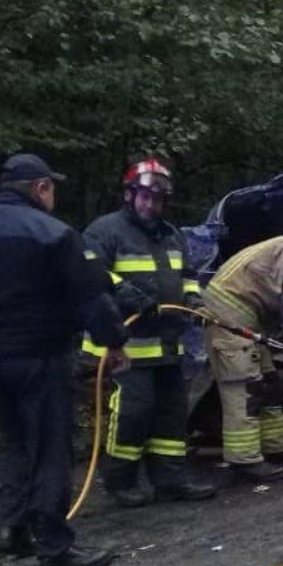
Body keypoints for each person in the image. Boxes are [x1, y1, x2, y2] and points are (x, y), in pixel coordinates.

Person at [0, 154, 130, 566]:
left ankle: (13, 528)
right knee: (50, 445)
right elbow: (90, 297)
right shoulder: (54, 233)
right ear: (42, 188)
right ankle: (55, 548)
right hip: (40, 357)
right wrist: (115, 343)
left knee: (14, 441)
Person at [84, 158, 216, 507]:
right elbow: (93, 275)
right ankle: (120, 481)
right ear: (130, 194)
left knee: (172, 412)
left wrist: (192, 298)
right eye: (144, 197)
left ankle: (170, 480)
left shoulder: (171, 234)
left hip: (167, 342)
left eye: (157, 199)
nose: (150, 204)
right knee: (134, 410)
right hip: (125, 344)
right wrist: (131, 297)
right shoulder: (104, 231)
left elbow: (188, 273)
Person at [192, 236, 283, 483]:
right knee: (245, 387)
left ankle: (276, 448)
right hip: (227, 310)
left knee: (269, 382)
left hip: (247, 312)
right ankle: (245, 461)